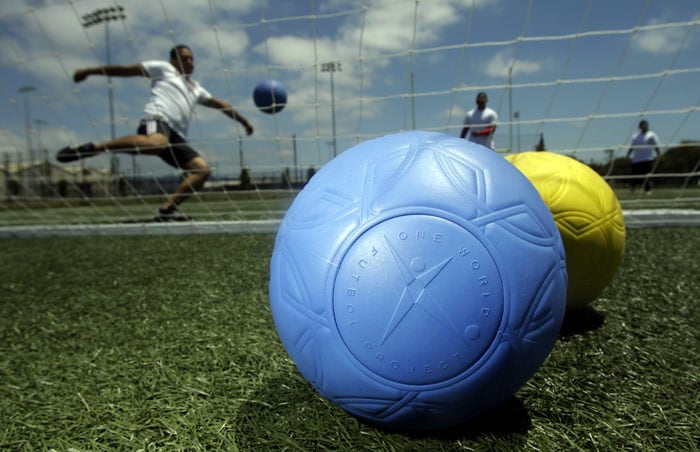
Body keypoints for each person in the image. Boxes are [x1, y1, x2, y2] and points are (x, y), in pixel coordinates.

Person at [57, 44, 254, 219]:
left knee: (202, 170)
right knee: (157, 143)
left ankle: (168, 209)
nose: (189, 61)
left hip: (177, 137)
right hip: (157, 120)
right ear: (173, 60)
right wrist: (90, 71)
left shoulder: (195, 88)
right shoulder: (165, 69)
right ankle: (93, 148)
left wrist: (244, 122)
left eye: (191, 58)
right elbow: (127, 70)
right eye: (184, 58)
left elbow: (220, 104)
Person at [626, 119, 660, 194]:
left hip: (648, 159)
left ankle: (647, 190)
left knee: (647, 175)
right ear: (640, 126)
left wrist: (658, 154)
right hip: (636, 159)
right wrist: (628, 155)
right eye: (642, 125)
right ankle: (632, 188)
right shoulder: (635, 136)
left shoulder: (652, 135)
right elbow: (632, 147)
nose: (644, 126)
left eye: (645, 125)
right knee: (634, 175)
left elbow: (656, 146)